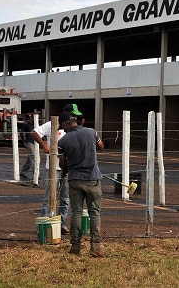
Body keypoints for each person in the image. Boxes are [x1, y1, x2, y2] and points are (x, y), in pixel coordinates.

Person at [31, 104, 83, 234]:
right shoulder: (51, 125)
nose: (76, 117)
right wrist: (44, 145)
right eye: (73, 114)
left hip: (68, 168)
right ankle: (45, 223)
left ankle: (61, 224)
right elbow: (34, 132)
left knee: (65, 198)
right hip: (54, 168)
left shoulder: (74, 129)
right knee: (49, 197)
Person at [58, 111, 104, 257]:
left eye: (62, 126)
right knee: (94, 213)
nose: (62, 129)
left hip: (75, 180)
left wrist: (65, 172)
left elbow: (62, 163)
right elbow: (101, 146)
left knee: (76, 213)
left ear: (66, 123)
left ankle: (75, 247)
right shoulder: (91, 132)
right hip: (92, 179)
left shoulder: (63, 141)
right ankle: (95, 247)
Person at [19, 114, 35, 180]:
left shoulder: (36, 124)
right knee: (33, 157)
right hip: (29, 142)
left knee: (30, 158)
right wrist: (24, 141)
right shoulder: (27, 125)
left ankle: (23, 172)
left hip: (35, 142)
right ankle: (35, 173)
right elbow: (21, 133)